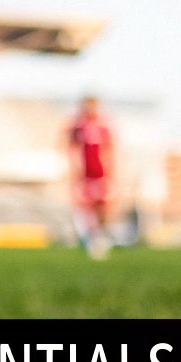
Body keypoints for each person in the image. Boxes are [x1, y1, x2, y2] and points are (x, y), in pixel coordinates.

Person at [66, 95, 116, 256]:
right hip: (84, 175)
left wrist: (112, 171)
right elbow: (71, 149)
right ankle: (89, 237)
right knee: (85, 206)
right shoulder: (77, 126)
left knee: (102, 206)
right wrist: (74, 170)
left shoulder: (104, 125)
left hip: (101, 174)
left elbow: (110, 149)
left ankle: (101, 235)